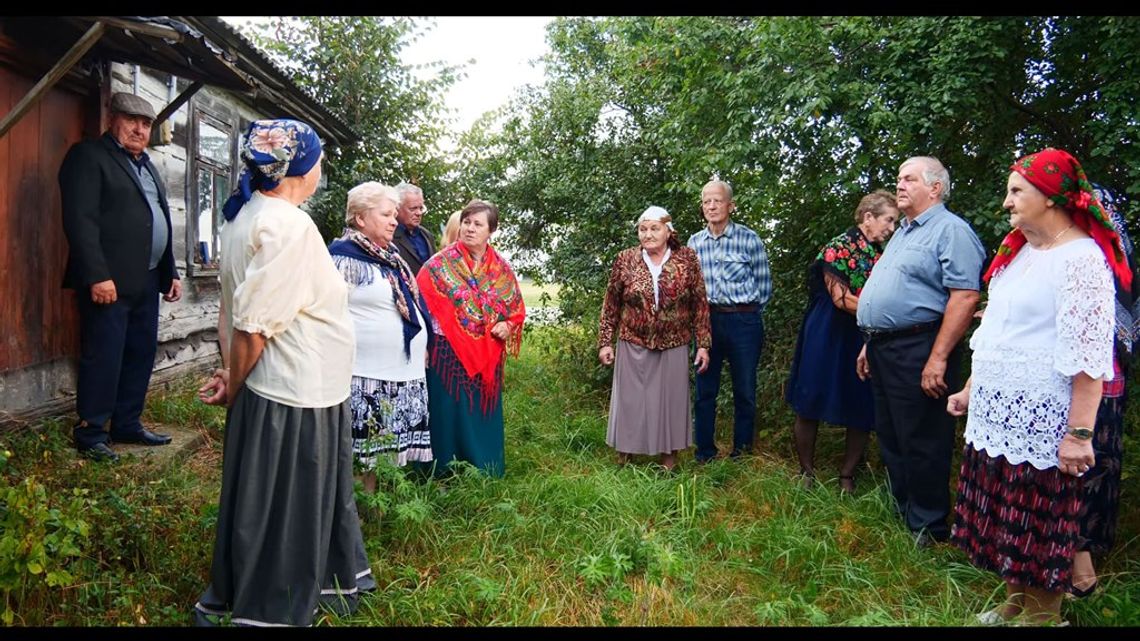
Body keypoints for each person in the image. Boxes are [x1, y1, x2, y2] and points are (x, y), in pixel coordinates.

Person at [193, 119, 373, 626]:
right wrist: (236, 384)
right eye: (319, 158)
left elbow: (236, 311)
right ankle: (275, 600)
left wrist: (232, 374)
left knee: (275, 494)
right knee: (287, 503)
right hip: (294, 391)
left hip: (289, 385)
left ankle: (317, 575)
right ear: (300, 168)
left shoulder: (248, 215)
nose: (322, 168)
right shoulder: (288, 226)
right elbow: (253, 326)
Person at [946, 148, 1127, 626]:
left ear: (1051, 197)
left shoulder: (1082, 259)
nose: (1006, 202)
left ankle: (1043, 617)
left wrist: (1079, 435)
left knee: (1040, 527)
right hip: (996, 415)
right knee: (1008, 522)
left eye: (1016, 191)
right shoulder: (1020, 252)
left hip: (1044, 422)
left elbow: (1089, 360)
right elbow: (999, 335)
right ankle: (1014, 604)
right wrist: (970, 388)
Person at [855, 156, 985, 547]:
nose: (900, 185)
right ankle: (903, 512)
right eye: (898, 178)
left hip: (921, 346)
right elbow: (891, 290)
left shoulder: (951, 231)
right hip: (884, 347)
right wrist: (868, 342)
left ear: (935, 187)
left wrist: (939, 357)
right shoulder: (903, 233)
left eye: (909, 179)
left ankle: (929, 527)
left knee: (924, 435)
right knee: (892, 433)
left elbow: (964, 296)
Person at [58, 91, 182, 462]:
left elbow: (156, 218)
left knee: (140, 353)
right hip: (108, 280)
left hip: (146, 278)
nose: (139, 129)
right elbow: (80, 221)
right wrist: (97, 274)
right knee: (105, 354)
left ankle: (127, 423)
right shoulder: (89, 156)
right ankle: (91, 431)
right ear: (113, 119)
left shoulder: (147, 165)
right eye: (132, 121)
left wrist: (169, 271)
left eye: (146, 124)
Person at [787, 190, 898, 492]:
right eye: (888, 220)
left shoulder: (882, 255)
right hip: (827, 332)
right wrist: (886, 313)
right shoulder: (838, 247)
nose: (891, 227)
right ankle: (806, 472)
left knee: (860, 402)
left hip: (863, 334)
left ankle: (847, 476)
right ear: (868, 217)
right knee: (810, 397)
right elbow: (840, 299)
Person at [328, 182, 434, 492]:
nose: (394, 221)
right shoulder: (341, 259)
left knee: (377, 457)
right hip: (365, 377)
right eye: (386, 214)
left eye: (393, 215)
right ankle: (352, 523)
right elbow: (327, 314)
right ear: (360, 218)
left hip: (398, 377)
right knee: (360, 457)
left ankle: (368, 518)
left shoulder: (389, 256)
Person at [416, 199, 526, 478]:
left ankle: (484, 469)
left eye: (478, 224)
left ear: (491, 231)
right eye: (466, 222)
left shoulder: (501, 269)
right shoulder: (438, 265)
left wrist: (507, 325)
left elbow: (514, 308)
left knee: (480, 413)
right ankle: (441, 473)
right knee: (446, 414)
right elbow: (420, 303)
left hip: (487, 355)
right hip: (446, 353)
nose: (469, 228)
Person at [598, 206, 711, 470]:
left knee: (670, 403)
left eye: (654, 228)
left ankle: (668, 462)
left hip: (674, 342)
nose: (647, 234)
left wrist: (703, 344)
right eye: (643, 229)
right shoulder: (625, 259)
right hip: (632, 341)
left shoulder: (687, 259)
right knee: (631, 401)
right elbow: (611, 303)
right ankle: (625, 458)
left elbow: (700, 305)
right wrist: (605, 341)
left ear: (669, 231)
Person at [1069, 184, 1140, 598]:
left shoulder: (1107, 255)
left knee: (1096, 465)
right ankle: (1074, 557)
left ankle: (1086, 558)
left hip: (1101, 381)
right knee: (1082, 467)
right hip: (1083, 380)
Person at [687, 179, 772, 462]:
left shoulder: (750, 239)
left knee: (745, 390)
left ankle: (742, 452)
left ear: (730, 205)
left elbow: (764, 288)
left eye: (717, 200)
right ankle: (705, 454)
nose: (711, 206)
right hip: (706, 322)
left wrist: (745, 313)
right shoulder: (694, 243)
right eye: (706, 201)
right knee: (704, 391)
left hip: (744, 322)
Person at [392, 182, 436, 275]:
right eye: (413, 209)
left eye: (421, 208)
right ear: (397, 208)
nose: (419, 213)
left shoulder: (427, 236)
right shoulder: (388, 235)